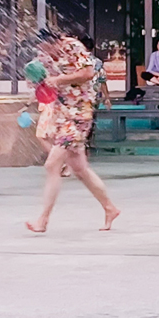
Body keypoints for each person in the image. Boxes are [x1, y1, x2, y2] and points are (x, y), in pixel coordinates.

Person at [26, 31, 119, 233]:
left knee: (52, 165)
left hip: (79, 113)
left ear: (55, 42)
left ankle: (43, 220)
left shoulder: (73, 47)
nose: (44, 53)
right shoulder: (47, 57)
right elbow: (45, 82)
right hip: (64, 114)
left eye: (46, 48)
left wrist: (59, 79)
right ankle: (109, 208)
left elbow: (88, 73)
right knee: (80, 169)